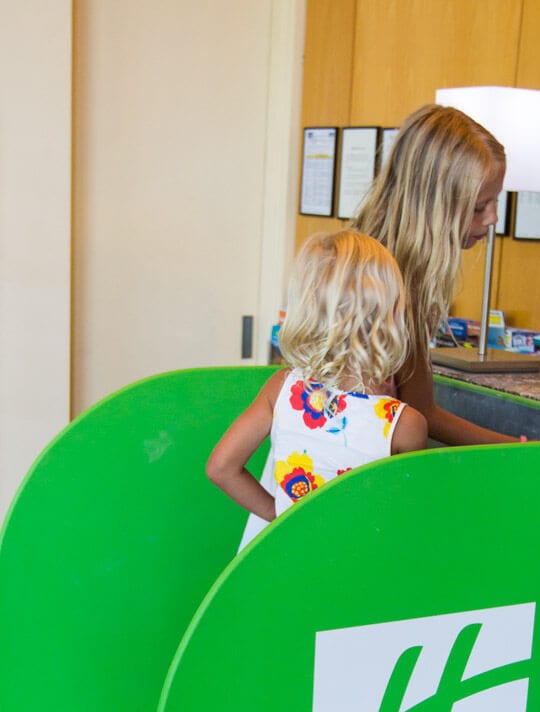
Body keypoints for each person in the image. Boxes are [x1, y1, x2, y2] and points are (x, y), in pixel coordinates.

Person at [206, 230, 428, 523]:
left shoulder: (283, 388)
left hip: (285, 557)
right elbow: (403, 515)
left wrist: (279, 516)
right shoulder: (405, 424)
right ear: (392, 316)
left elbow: (220, 467)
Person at [353, 103, 520, 446]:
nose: (492, 218)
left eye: (495, 202)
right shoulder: (393, 286)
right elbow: (421, 411)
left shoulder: (365, 259)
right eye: (478, 207)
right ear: (433, 205)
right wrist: (517, 449)